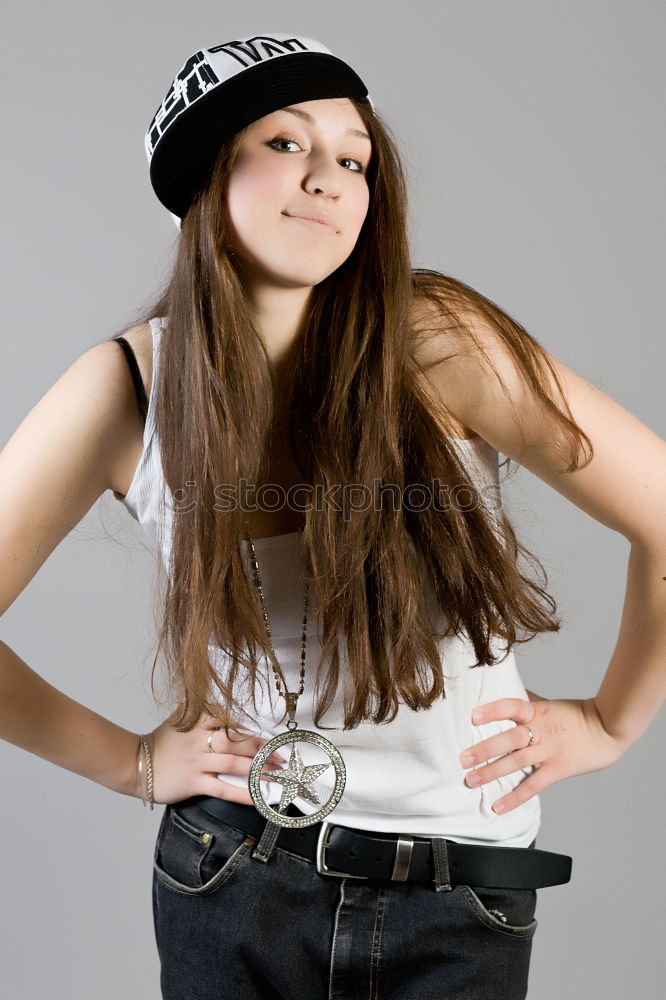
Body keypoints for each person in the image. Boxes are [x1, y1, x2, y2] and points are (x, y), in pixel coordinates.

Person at [1, 30, 664, 1000]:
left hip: (459, 891)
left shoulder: (436, 340)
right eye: (285, 143)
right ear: (206, 173)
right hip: (231, 875)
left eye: (352, 158)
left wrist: (612, 722)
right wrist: (133, 761)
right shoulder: (130, 389)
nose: (327, 178)